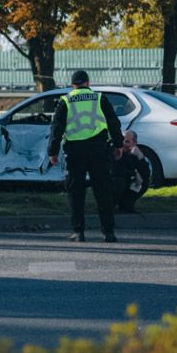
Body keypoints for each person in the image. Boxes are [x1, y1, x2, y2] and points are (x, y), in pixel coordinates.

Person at [47, 70, 123, 243]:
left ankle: (78, 232)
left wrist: (52, 152)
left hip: (75, 151)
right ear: (88, 83)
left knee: (76, 192)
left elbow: (56, 128)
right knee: (103, 191)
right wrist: (118, 145)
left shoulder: (66, 100)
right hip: (99, 149)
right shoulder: (99, 98)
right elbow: (113, 122)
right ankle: (108, 232)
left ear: (73, 85)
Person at [110, 129, 152, 214]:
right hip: (113, 183)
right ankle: (111, 206)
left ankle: (126, 205)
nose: (123, 144)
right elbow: (115, 170)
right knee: (119, 181)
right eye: (122, 140)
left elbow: (146, 174)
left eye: (127, 141)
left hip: (128, 182)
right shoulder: (115, 151)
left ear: (134, 143)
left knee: (144, 182)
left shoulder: (135, 154)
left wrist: (140, 157)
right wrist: (134, 174)